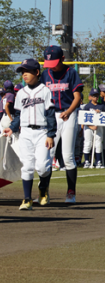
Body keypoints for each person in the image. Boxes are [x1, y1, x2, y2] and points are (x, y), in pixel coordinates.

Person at [2, 59, 56, 210]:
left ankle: (43, 189)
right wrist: (12, 127)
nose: (24, 74)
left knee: (43, 167)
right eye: (22, 72)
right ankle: (27, 199)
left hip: (42, 132)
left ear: (37, 72)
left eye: (27, 71)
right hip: (25, 132)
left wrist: (51, 134)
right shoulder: (20, 93)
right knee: (27, 166)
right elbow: (18, 115)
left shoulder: (45, 91)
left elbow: (51, 114)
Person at [41, 45, 83, 203]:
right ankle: (44, 192)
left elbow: (77, 97)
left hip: (68, 114)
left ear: (63, 59)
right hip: (51, 116)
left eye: (55, 62)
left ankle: (71, 192)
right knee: (48, 156)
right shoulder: (45, 74)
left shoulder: (71, 73)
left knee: (67, 156)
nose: (52, 66)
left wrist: (69, 111)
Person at [80, 90, 104, 169]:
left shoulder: (101, 106)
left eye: (97, 96)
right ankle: (87, 161)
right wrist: (90, 126)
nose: (95, 97)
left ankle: (98, 161)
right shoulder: (87, 106)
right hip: (88, 127)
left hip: (99, 127)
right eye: (94, 96)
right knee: (88, 143)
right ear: (90, 97)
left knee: (98, 143)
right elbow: (83, 118)